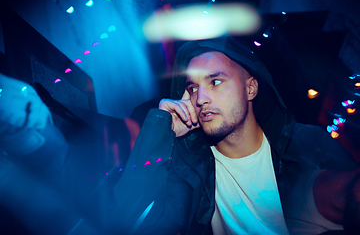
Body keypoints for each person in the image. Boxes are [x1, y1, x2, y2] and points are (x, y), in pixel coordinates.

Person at [112, 36, 358, 234]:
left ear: (250, 88)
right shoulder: (190, 167)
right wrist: (160, 128)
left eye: (215, 82)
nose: (201, 98)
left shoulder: (306, 143)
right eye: (192, 87)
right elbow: (131, 222)